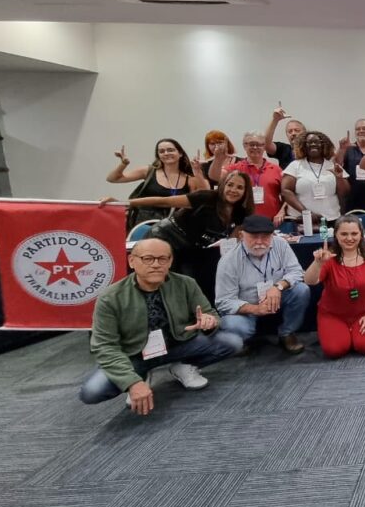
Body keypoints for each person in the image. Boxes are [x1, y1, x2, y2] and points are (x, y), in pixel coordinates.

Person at [78, 238, 242, 414]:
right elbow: (104, 347)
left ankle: (182, 366)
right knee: (92, 392)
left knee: (232, 342)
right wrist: (131, 382)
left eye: (162, 259)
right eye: (148, 259)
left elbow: (211, 314)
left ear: (170, 261)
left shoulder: (186, 283)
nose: (156, 265)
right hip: (134, 356)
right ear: (132, 261)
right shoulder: (110, 298)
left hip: (178, 345)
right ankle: (140, 375)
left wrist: (209, 322)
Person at [102, 170, 255, 302]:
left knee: (190, 283)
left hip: (192, 248)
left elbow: (232, 241)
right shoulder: (206, 197)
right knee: (159, 280)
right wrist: (124, 203)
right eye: (230, 185)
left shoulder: (242, 212)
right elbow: (163, 201)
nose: (233, 190)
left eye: (239, 187)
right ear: (223, 185)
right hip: (165, 236)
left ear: (246, 191)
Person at [215, 214, 310, 354]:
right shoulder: (228, 261)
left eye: (265, 236)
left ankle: (287, 333)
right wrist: (254, 309)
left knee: (302, 290)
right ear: (241, 235)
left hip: (277, 296)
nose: (259, 242)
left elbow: (297, 272)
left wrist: (278, 286)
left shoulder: (280, 244)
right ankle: (243, 341)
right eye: (253, 236)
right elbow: (223, 302)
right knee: (232, 324)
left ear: (272, 235)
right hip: (246, 304)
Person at [304, 214, 365, 359]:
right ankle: (342, 334)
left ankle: (352, 335)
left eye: (354, 233)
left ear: (361, 234)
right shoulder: (328, 258)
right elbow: (310, 281)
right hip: (333, 314)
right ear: (335, 234)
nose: (349, 238)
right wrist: (318, 264)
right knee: (334, 350)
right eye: (344, 234)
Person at [107, 139, 207, 227]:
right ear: (158, 156)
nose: (166, 153)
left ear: (180, 153)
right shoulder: (148, 171)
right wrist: (124, 163)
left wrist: (198, 172)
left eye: (170, 150)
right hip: (144, 224)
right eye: (162, 151)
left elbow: (204, 197)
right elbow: (112, 179)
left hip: (174, 226)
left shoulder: (189, 178)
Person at [211, 131, 285, 223]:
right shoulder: (236, 168)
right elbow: (215, 176)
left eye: (259, 144)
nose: (255, 147)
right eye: (251, 144)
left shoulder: (276, 169)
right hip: (242, 224)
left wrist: (282, 212)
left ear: (264, 146)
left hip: (271, 223)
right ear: (244, 146)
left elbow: (287, 195)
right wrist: (218, 158)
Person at [281, 130, 349, 225]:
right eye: (309, 142)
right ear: (303, 146)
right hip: (302, 221)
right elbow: (286, 191)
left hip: (331, 218)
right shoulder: (295, 166)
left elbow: (344, 193)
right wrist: (307, 213)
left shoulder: (333, 166)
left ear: (324, 145)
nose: (313, 144)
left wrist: (339, 178)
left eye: (317, 142)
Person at [335, 118, 365, 214]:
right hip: (351, 201)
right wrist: (342, 149)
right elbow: (337, 165)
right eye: (358, 129)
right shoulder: (348, 149)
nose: (361, 131)